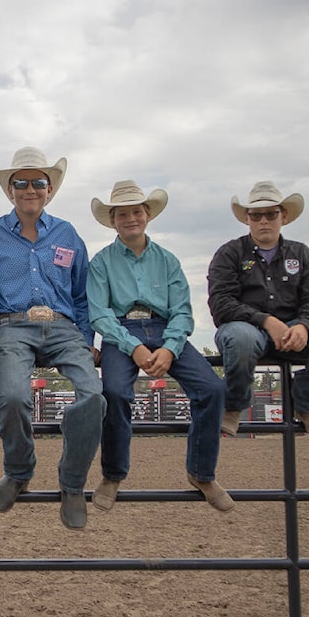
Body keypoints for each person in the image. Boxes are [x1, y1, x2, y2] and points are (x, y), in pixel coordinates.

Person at [87, 181, 234, 512]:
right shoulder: (101, 263)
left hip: (164, 328)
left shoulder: (168, 261)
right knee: (114, 393)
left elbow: (182, 311)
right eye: (122, 214)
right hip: (121, 330)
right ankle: (112, 474)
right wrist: (133, 346)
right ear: (113, 220)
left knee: (211, 389)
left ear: (147, 214)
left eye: (136, 211)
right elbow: (100, 314)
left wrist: (169, 347)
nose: (130, 219)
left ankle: (202, 472)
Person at [0, 146, 105, 529]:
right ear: (10, 190)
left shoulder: (67, 233)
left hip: (64, 326)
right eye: (21, 182)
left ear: (49, 190)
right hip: (11, 324)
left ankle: (72, 481)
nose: (30, 188)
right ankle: (19, 471)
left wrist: (86, 338)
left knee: (93, 395)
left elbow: (83, 292)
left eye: (38, 182)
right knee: (14, 397)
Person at [208, 181, 309, 437]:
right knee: (240, 338)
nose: (264, 220)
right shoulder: (229, 253)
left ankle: (305, 402)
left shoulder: (301, 253)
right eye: (256, 214)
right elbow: (221, 304)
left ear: (283, 216)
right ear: (246, 219)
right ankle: (234, 405)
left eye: (271, 214)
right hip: (248, 329)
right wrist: (266, 321)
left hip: (296, 329)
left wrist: (304, 326)